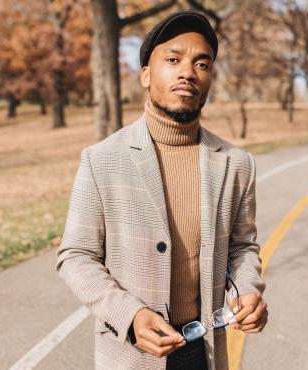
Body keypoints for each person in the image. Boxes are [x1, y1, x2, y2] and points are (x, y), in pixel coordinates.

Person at [56, 10, 267, 370]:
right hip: (131, 351)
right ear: (146, 74)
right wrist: (130, 314)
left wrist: (249, 290)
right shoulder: (101, 159)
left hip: (206, 352)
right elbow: (76, 255)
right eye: (173, 59)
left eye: (202, 63)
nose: (188, 71)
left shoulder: (236, 163)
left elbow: (242, 246)